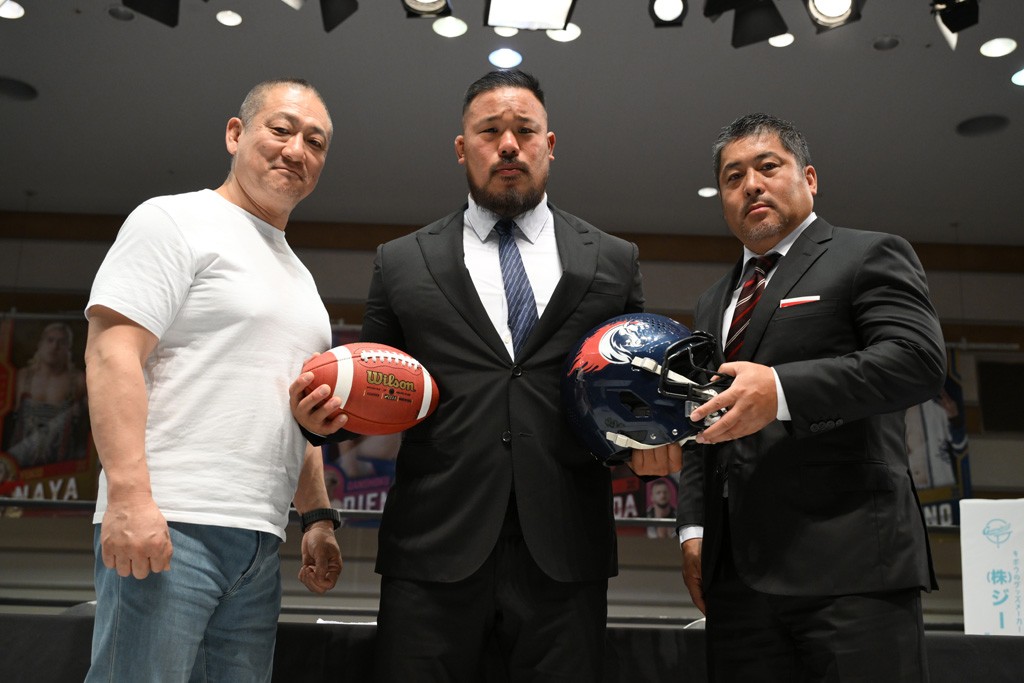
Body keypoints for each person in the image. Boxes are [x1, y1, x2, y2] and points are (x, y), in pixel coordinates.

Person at [291, 69, 680, 682]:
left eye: (525, 131)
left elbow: (634, 391)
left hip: (565, 551)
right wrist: (322, 420)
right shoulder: (402, 261)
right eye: (489, 131)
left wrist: (651, 444)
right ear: (461, 147)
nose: (508, 145)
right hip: (432, 550)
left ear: (550, 144)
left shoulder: (612, 259)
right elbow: (371, 392)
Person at [83, 79, 343, 682]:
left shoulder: (301, 280)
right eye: (281, 129)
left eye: (315, 142)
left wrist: (317, 517)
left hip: (260, 540)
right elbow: (112, 353)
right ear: (235, 134)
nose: (296, 150)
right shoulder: (174, 220)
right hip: (171, 519)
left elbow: (293, 412)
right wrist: (129, 497)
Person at [676, 113, 946, 682]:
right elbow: (703, 419)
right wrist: (694, 528)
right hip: (736, 578)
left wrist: (779, 391)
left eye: (768, 166)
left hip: (852, 566)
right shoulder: (712, 301)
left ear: (810, 178)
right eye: (733, 177)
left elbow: (917, 361)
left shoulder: (868, 254)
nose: (751, 184)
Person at [7, 321, 88, 467]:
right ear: (41, 344)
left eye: (61, 342)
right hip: (21, 463)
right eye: (50, 340)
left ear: (68, 348)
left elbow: (85, 427)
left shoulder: (78, 380)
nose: (54, 346)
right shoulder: (22, 377)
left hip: (61, 464)